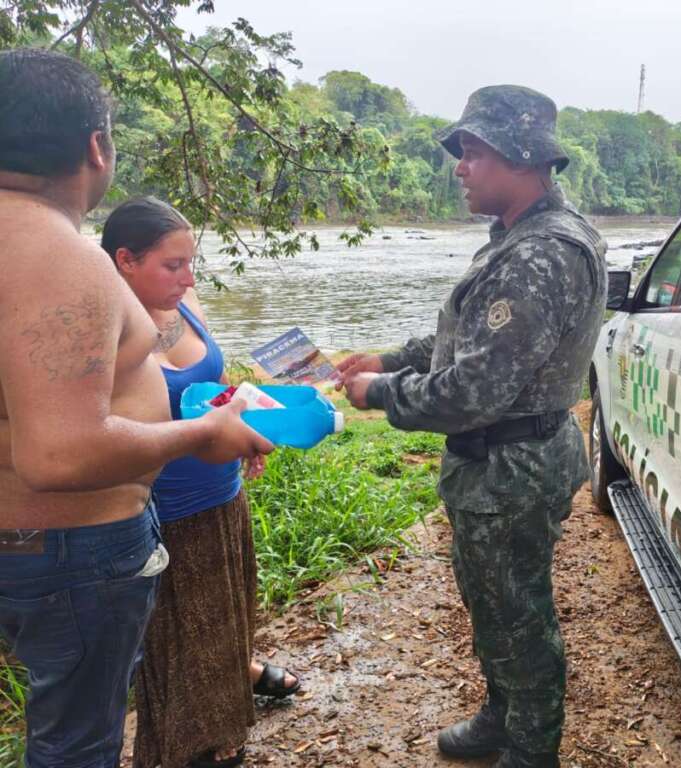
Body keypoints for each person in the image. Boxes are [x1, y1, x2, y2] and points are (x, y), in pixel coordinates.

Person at [0, 49, 274, 767]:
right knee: (77, 746)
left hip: (28, 546)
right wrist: (201, 431)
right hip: (71, 548)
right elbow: (58, 453)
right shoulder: (57, 252)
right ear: (96, 147)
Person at [337, 85, 607, 768]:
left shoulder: (542, 253)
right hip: (499, 463)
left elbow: (473, 391)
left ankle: (531, 748)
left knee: (518, 612)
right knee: (490, 600)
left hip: (512, 464)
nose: (460, 167)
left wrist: (379, 393)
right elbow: (472, 339)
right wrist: (391, 359)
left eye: (473, 152)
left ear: (520, 157)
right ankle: (502, 715)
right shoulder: (515, 238)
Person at [100, 198, 301, 768]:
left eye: (191, 262)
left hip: (221, 494)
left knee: (226, 616)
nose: (189, 277)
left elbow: (215, 387)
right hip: (162, 511)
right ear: (125, 261)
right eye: (173, 265)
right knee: (178, 644)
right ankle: (194, 751)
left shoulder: (183, 301)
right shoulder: (105, 324)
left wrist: (244, 427)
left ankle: (234, 695)